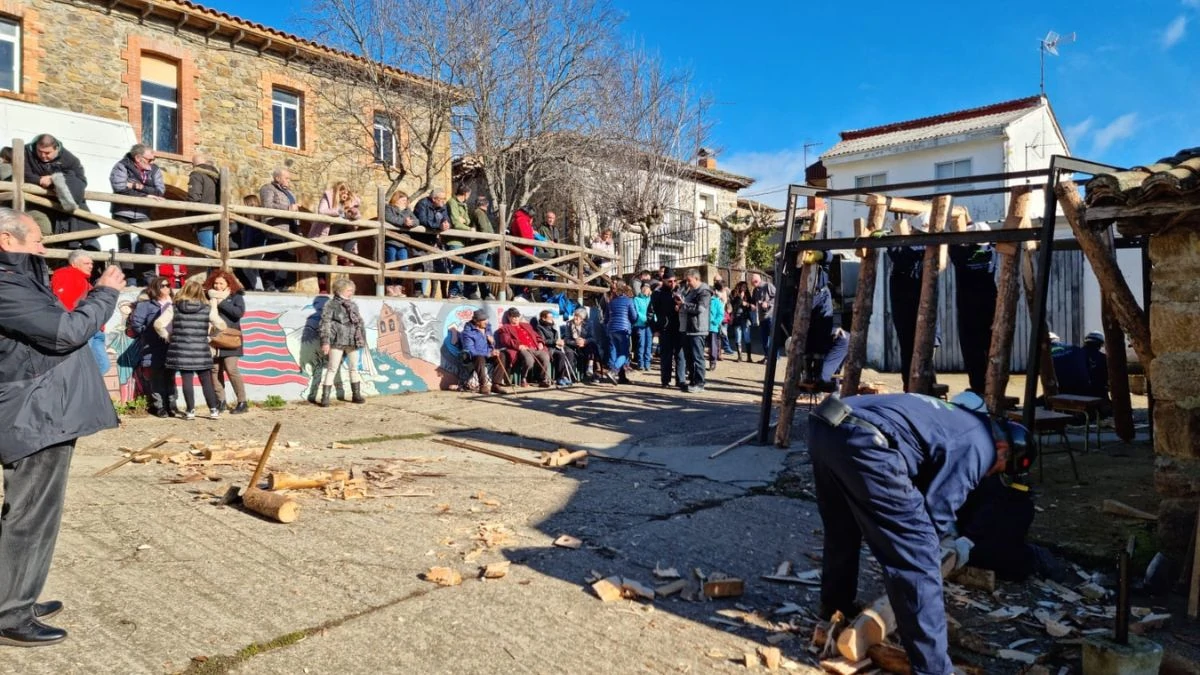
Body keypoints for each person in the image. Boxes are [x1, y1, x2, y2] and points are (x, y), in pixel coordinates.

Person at [807, 391, 1034, 674]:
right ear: (1003, 447)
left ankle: (835, 608)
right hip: (865, 439)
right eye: (1000, 467)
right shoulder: (982, 446)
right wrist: (937, 546)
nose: (991, 473)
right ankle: (933, 669)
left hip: (825, 424)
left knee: (843, 527)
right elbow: (935, 514)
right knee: (919, 557)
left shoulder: (961, 420)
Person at [0, 209, 124, 647]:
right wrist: (105, 294)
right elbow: (64, 331)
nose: (42, 248)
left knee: (35, 513)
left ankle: (17, 595)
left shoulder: (19, 279)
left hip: (43, 410)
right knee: (30, 514)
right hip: (32, 415)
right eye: (35, 241)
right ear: (6, 240)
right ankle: (9, 615)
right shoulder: (4, 284)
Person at [162, 280, 224, 420]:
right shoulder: (207, 308)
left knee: (186, 380)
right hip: (201, 350)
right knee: (206, 381)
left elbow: (158, 324)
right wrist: (210, 337)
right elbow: (221, 325)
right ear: (200, 292)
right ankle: (213, 410)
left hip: (181, 350)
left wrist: (168, 336)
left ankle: (190, 411)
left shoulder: (175, 307)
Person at [109, 143, 166, 287]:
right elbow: (120, 188)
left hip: (142, 213)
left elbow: (159, 191)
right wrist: (146, 194)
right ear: (138, 158)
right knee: (124, 244)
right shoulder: (121, 166)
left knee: (149, 242)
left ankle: (150, 279)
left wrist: (134, 186)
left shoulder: (155, 170)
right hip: (122, 211)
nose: (152, 162)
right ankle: (130, 279)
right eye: (149, 159)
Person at [950, 234, 997, 394]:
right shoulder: (992, 251)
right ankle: (992, 386)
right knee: (990, 347)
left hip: (969, 308)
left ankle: (979, 388)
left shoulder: (964, 254)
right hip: (990, 306)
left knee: (972, 350)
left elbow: (953, 245)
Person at [23, 135, 91, 243]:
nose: (43, 156)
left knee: (83, 227)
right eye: (40, 151)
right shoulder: (25, 152)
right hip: (32, 201)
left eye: (47, 153)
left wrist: (54, 180)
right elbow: (25, 175)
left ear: (56, 149)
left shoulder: (70, 159)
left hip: (61, 204)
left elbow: (81, 181)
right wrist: (39, 181)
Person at [50, 250, 109, 374]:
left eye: (91, 263)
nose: (91, 266)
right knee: (91, 369)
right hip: (84, 328)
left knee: (101, 366)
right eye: (86, 263)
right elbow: (63, 304)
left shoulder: (83, 280)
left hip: (93, 329)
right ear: (74, 264)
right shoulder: (66, 275)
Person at [128, 276, 175, 416]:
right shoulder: (147, 305)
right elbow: (136, 324)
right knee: (157, 376)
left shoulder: (176, 303)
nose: (166, 288)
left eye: (168, 285)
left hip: (172, 345)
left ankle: (171, 405)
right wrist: (148, 334)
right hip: (153, 345)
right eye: (163, 285)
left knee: (170, 375)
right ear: (155, 288)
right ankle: (159, 406)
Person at [318, 278, 369, 407]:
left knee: (354, 368)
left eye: (352, 290)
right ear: (340, 290)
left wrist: (362, 339)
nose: (351, 292)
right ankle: (325, 398)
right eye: (349, 290)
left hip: (353, 340)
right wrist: (325, 342)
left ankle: (356, 395)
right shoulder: (331, 304)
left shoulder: (353, 305)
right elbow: (325, 323)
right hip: (337, 341)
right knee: (332, 368)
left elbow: (359, 322)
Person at [204, 270, 248, 414]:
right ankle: (220, 401)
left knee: (231, 369)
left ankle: (242, 402)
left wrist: (221, 303)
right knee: (215, 370)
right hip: (213, 339)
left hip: (230, 339)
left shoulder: (236, 296)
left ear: (228, 284)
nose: (217, 286)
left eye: (221, 283)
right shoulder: (207, 296)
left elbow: (238, 314)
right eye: (215, 283)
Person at [258, 168, 301, 291]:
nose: (289, 181)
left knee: (286, 256)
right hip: (276, 227)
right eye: (286, 178)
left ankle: (281, 285)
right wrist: (287, 207)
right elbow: (267, 205)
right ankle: (269, 284)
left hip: (290, 229)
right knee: (274, 255)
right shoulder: (268, 188)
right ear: (277, 178)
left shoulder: (290, 193)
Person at [495, 307, 552, 387]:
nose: (516, 318)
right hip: (522, 349)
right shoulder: (505, 328)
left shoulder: (526, 325)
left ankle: (542, 379)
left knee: (545, 356)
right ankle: (524, 378)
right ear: (509, 317)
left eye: (517, 316)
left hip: (534, 347)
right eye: (513, 316)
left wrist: (540, 343)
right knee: (529, 360)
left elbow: (537, 336)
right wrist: (519, 345)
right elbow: (506, 340)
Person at [458, 309, 509, 394]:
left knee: (501, 355)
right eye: (483, 320)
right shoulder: (468, 333)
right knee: (479, 357)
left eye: (486, 319)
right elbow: (471, 351)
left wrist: (492, 342)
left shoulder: (488, 327)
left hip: (487, 355)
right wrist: (488, 354)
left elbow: (492, 345)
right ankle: (483, 386)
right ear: (476, 321)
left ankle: (496, 385)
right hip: (474, 357)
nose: (486, 321)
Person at [677, 269, 712, 392]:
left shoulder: (704, 291)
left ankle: (700, 383)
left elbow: (700, 308)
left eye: (689, 280)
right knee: (689, 357)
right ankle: (692, 380)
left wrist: (684, 304)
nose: (688, 283)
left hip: (698, 329)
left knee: (698, 357)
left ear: (696, 278)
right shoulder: (691, 291)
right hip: (688, 328)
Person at [383, 190, 419, 297]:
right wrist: (404, 222)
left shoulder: (408, 211)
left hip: (403, 242)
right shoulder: (389, 208)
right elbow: (389, 218)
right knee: (390, 263)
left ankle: (398, 287)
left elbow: (417, 221)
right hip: (391, 240)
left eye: (406, 200)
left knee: (404, 265)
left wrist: (411, 223)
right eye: (402, 200)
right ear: (396, 199)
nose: (405, 202)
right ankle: (389, 287)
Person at [651, 269, 684, 389]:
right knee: (666, 356)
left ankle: (681, 380)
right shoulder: (657, 294)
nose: (673, 283)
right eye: (670, 281)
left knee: (680, 355)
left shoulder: (680, 292)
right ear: (663, 280)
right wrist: (655, 328)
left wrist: (681, 306)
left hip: (679, 328)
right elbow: (651, 312)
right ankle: (665, 380)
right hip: (664, 329)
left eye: (675, 281)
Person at [414, 189, 449, 297]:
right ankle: (419, 292)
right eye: (442, 199)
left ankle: (432, 295)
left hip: (432, 241)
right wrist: (438, 226)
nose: (444, 201)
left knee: (433, 268)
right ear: (434, 199)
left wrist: (446, 223)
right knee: (420, 265)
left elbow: (446, 218)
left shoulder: (442, 206)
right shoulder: (422, 204)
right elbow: (423, 220)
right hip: (419, 240)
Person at [314, 181, 362, 261]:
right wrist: (339, 211)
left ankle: (344, 256)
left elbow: (358, 216)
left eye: (347, 193)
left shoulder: (349, 201)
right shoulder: (328, 197)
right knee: (323, 260)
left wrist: (353, 212)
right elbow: (322, 211)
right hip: (326, 230)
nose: (345, 195)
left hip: (342, 231)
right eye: (343, 192)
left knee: (354, 232)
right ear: (338, 191)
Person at [603, 282, 638, 385]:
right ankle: (613, 371)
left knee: (614, 352)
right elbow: (634, 317)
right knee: (624, 353)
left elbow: (606, 318)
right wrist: (631, 323)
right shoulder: (629, 301)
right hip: (623, 330)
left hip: (611, 329)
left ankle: (619, 376)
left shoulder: (611, 302)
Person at [187, 153, 221, 250]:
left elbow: (193, 199)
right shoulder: (218, 177)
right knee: (218, 256)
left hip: (204, 222)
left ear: (193, 164)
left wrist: (191, 220)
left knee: (209, 257)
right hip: (218, 222)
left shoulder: (196, 174)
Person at [444, 184, 472, 298]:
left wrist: (464, 220)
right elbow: (456, 222)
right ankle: (453, 292)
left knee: (460, 266)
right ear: (465, 194)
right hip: (454, 240)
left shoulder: (464, 205)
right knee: (458, 266)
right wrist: (469, 229)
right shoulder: (452, 202)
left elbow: (468, 220)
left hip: (462, 241)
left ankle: (456, 290)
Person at [533, 310, 574, 386]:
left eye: (552, 317)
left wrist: (560, 341)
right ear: (543, 318)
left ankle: (566, 376)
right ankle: (559, 377)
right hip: (549, 348)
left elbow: (557, 337)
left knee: (570, 352)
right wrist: (555, 342)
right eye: (550, 317)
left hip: (556, 346)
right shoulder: (539, 328)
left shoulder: (553, 326)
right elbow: (543, 340)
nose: (552, 319)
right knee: (560, 355)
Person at [468, 195, 495, 300]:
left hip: (484, 246)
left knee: (482, 270)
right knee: (478, 270)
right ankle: (472, 293)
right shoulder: (479, 213)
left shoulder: (480, 213)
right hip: (481, 245)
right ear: (486, 204)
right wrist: (491, 239)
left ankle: (485, 293)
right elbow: (484, 229)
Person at [563, 307, 599, 382]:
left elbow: (593, 338)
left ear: (583, 319)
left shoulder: (589, 324)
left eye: (578, 317)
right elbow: (566, 339)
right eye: (575, 315)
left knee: (593, 346)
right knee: (570, 352)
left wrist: (584, 341)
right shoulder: (569, 324)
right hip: (574, 345)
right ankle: (571, 375)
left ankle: (591, 368)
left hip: (585, 345)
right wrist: (576, 342)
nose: (575, 318)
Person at [509, 205, 537, 300]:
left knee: (521, 274)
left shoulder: (517, 219)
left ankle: (519, 294)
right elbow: (526, 236)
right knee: (528, 274)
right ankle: (519, 295)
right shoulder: (522, 220)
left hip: (520, 251)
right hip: (524, 251)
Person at [749, 273, 776, 362]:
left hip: (770, 315)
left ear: (756, 281)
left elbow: (776, 297)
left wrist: (768, 304)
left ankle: (774, 357)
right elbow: (754, 301)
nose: (753, 285)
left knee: (771, 337)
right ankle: (767, 356)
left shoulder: (768, 286)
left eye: (753, 283)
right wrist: (752, 305)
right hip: (762, 317)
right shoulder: (755, 290)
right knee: (764, 338)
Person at [727, 280, 753, 362]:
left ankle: (749, 357)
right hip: (737, 318)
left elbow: (750, 306)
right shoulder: (734, 294)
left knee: (747, 337)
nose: (745, 289)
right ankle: (739, 356)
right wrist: (740, 299)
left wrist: (747, 304)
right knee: (738, 337)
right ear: (739, 287)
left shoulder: (748, 295)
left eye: (746, 287)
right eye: (743, 287)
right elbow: (734, 307)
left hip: (745, 318)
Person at [632, 282, 653, 371]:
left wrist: (653, 320)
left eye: (647, 288)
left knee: (649, 344)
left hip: (650, 325)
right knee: (641, 344)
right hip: (640, 324)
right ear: (641, 289)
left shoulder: (651, 299)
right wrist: (645, 319)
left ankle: (647, 364)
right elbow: (637, 312)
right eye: (644, 288)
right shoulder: (636, 299)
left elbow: (653, 311)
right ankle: (641, 363)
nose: (646, 290)